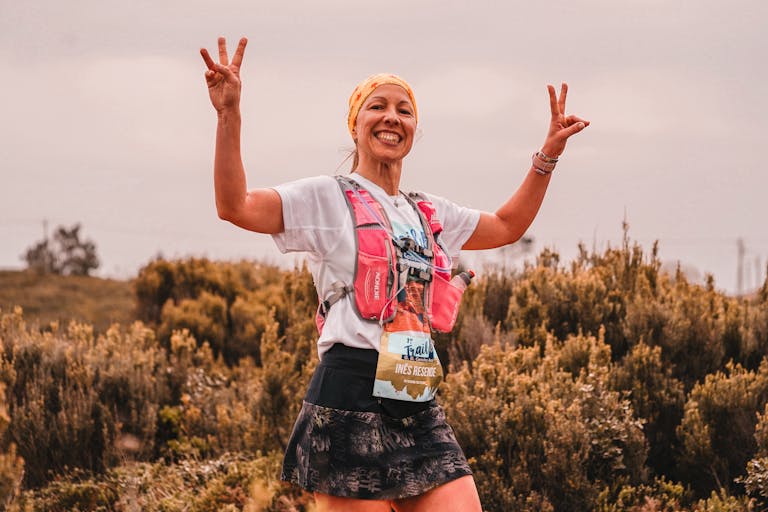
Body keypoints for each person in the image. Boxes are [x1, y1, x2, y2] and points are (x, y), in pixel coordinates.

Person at [200, 36, 589, 512]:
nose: (391, 117)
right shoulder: (326, 197)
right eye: (377, 106)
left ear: (414, 128)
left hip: (414, 393)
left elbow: (507, 226)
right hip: (347, 393)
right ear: (356, 124)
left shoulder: (429, 212)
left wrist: (546, 156)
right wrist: (228, 114)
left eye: (404, 110)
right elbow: (234, 206)